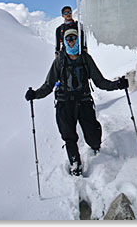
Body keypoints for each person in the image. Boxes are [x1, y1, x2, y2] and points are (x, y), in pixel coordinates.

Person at [25, 28, 129, 176]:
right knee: (69, 136)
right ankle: (75, 164)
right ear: (64, 42)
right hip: (64, 103)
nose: (71, 41)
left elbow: (99, 81)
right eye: (68, 39)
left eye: (74, 38)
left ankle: (95, 146)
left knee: (92, 133)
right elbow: (48, 85)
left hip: (84, 101)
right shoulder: (59, 60)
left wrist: (117, 85)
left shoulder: (86, 59)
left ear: (78, 40)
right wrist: (35, 94)